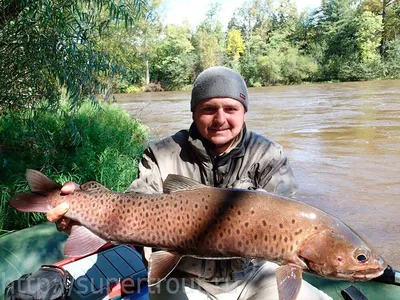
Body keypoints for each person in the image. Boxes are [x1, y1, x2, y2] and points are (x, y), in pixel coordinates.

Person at [47, 66, 331, 299]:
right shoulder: (161, 153)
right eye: (209, 108)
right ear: (194, 112)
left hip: (252, 274)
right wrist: (82, 214)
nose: (220, 119)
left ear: (244, 111)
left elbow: (290, 212)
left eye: (230, 109)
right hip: (181, 276)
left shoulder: (268, 155)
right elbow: (133, 205)